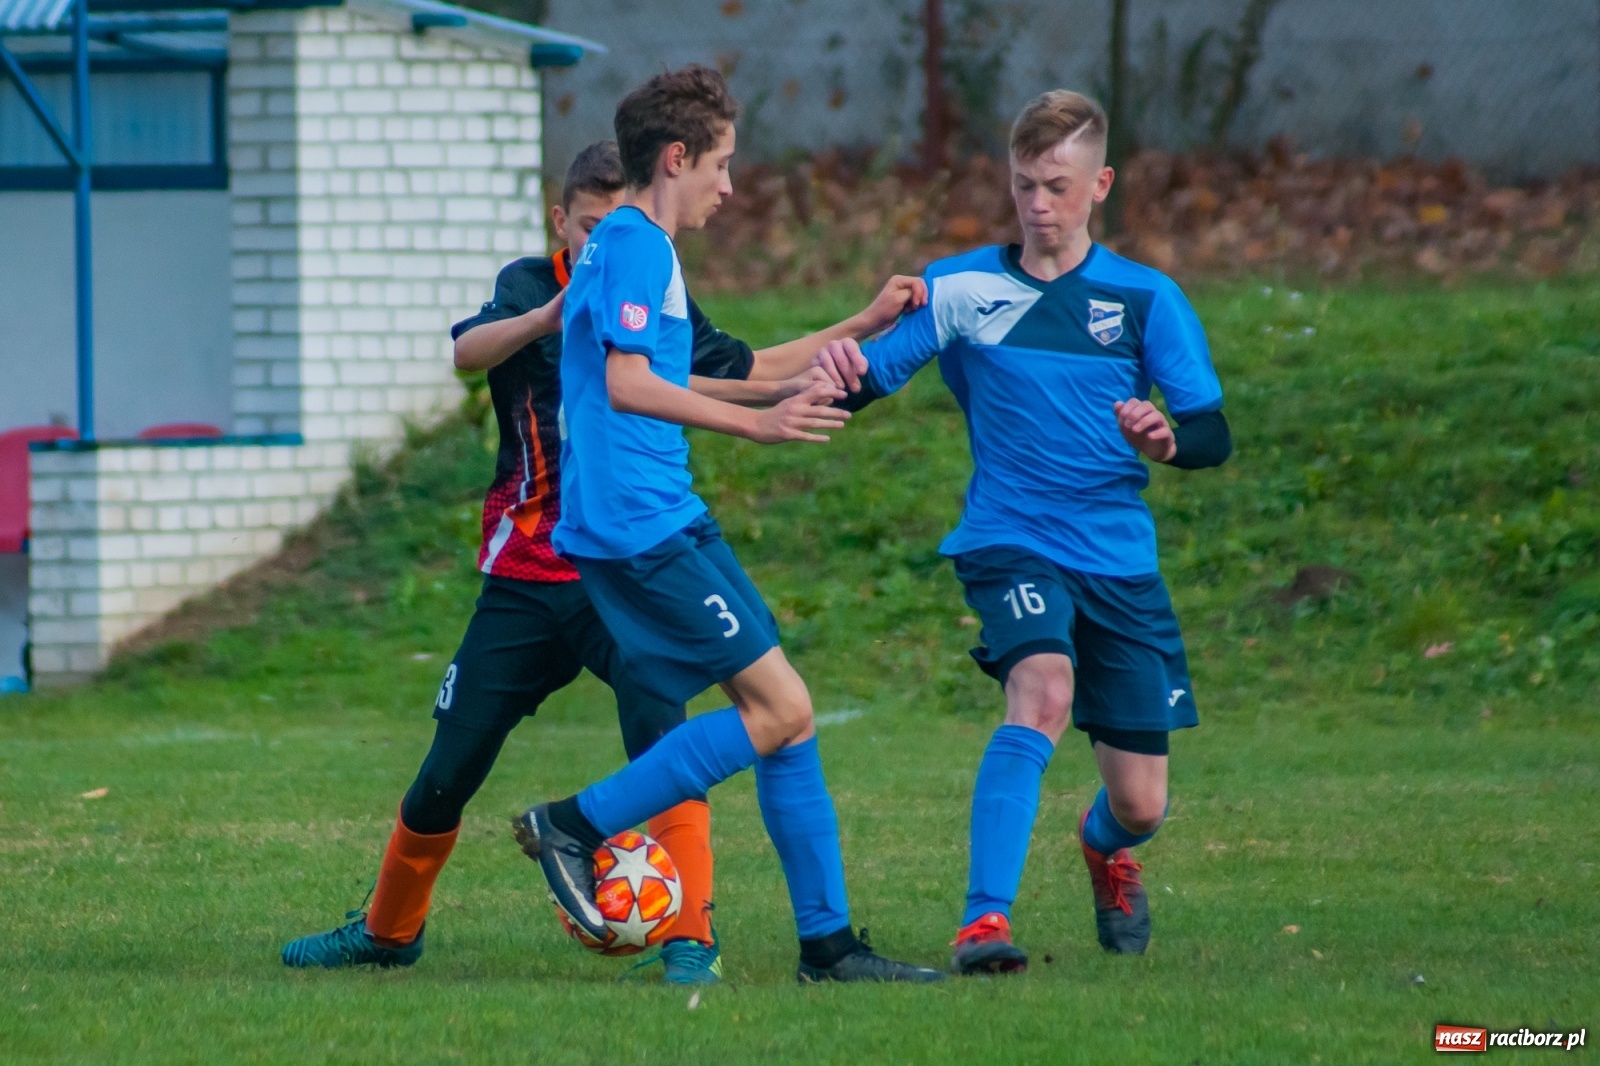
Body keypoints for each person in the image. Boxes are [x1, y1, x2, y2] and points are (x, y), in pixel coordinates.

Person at [280, 140, 924, 984]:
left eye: (610, 227)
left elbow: (743, 369)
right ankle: (388, 930)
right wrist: (550, 316)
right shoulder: (535, 284)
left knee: (667, 742)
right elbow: (467, 351)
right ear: (564, 222)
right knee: (449, 768)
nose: (599, 244)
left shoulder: (651, 278)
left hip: (614, 571)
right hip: (524, 576)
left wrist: (862, 326)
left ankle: (689, 940)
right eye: (587, 228)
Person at [512, 64, 942, 984]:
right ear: (677, 158)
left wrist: (840, 341)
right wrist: (762, 422)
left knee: (785, 713)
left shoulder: (630, 248)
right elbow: (629, 387)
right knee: (780, 707)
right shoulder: (633, 247)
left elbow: (683, 371)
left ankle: (829, 946)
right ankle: (572, 826)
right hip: (641, 527)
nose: (730, 185)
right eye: (723, 164)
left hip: (664, 517)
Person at [811, 89, 1233, 973]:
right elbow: (866, 379)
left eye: (1057, 185)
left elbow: (1210, 432)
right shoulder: (962, 286)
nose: (1039, 205)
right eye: (1023, 185)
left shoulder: (1146, 300)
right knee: (1041, 691)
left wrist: (1166, 438)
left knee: (1144, 804)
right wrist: (805, 375)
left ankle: (1101, 846)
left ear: (1100, 184)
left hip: (1117, 560)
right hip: (1011, 537)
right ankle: (983, 923)